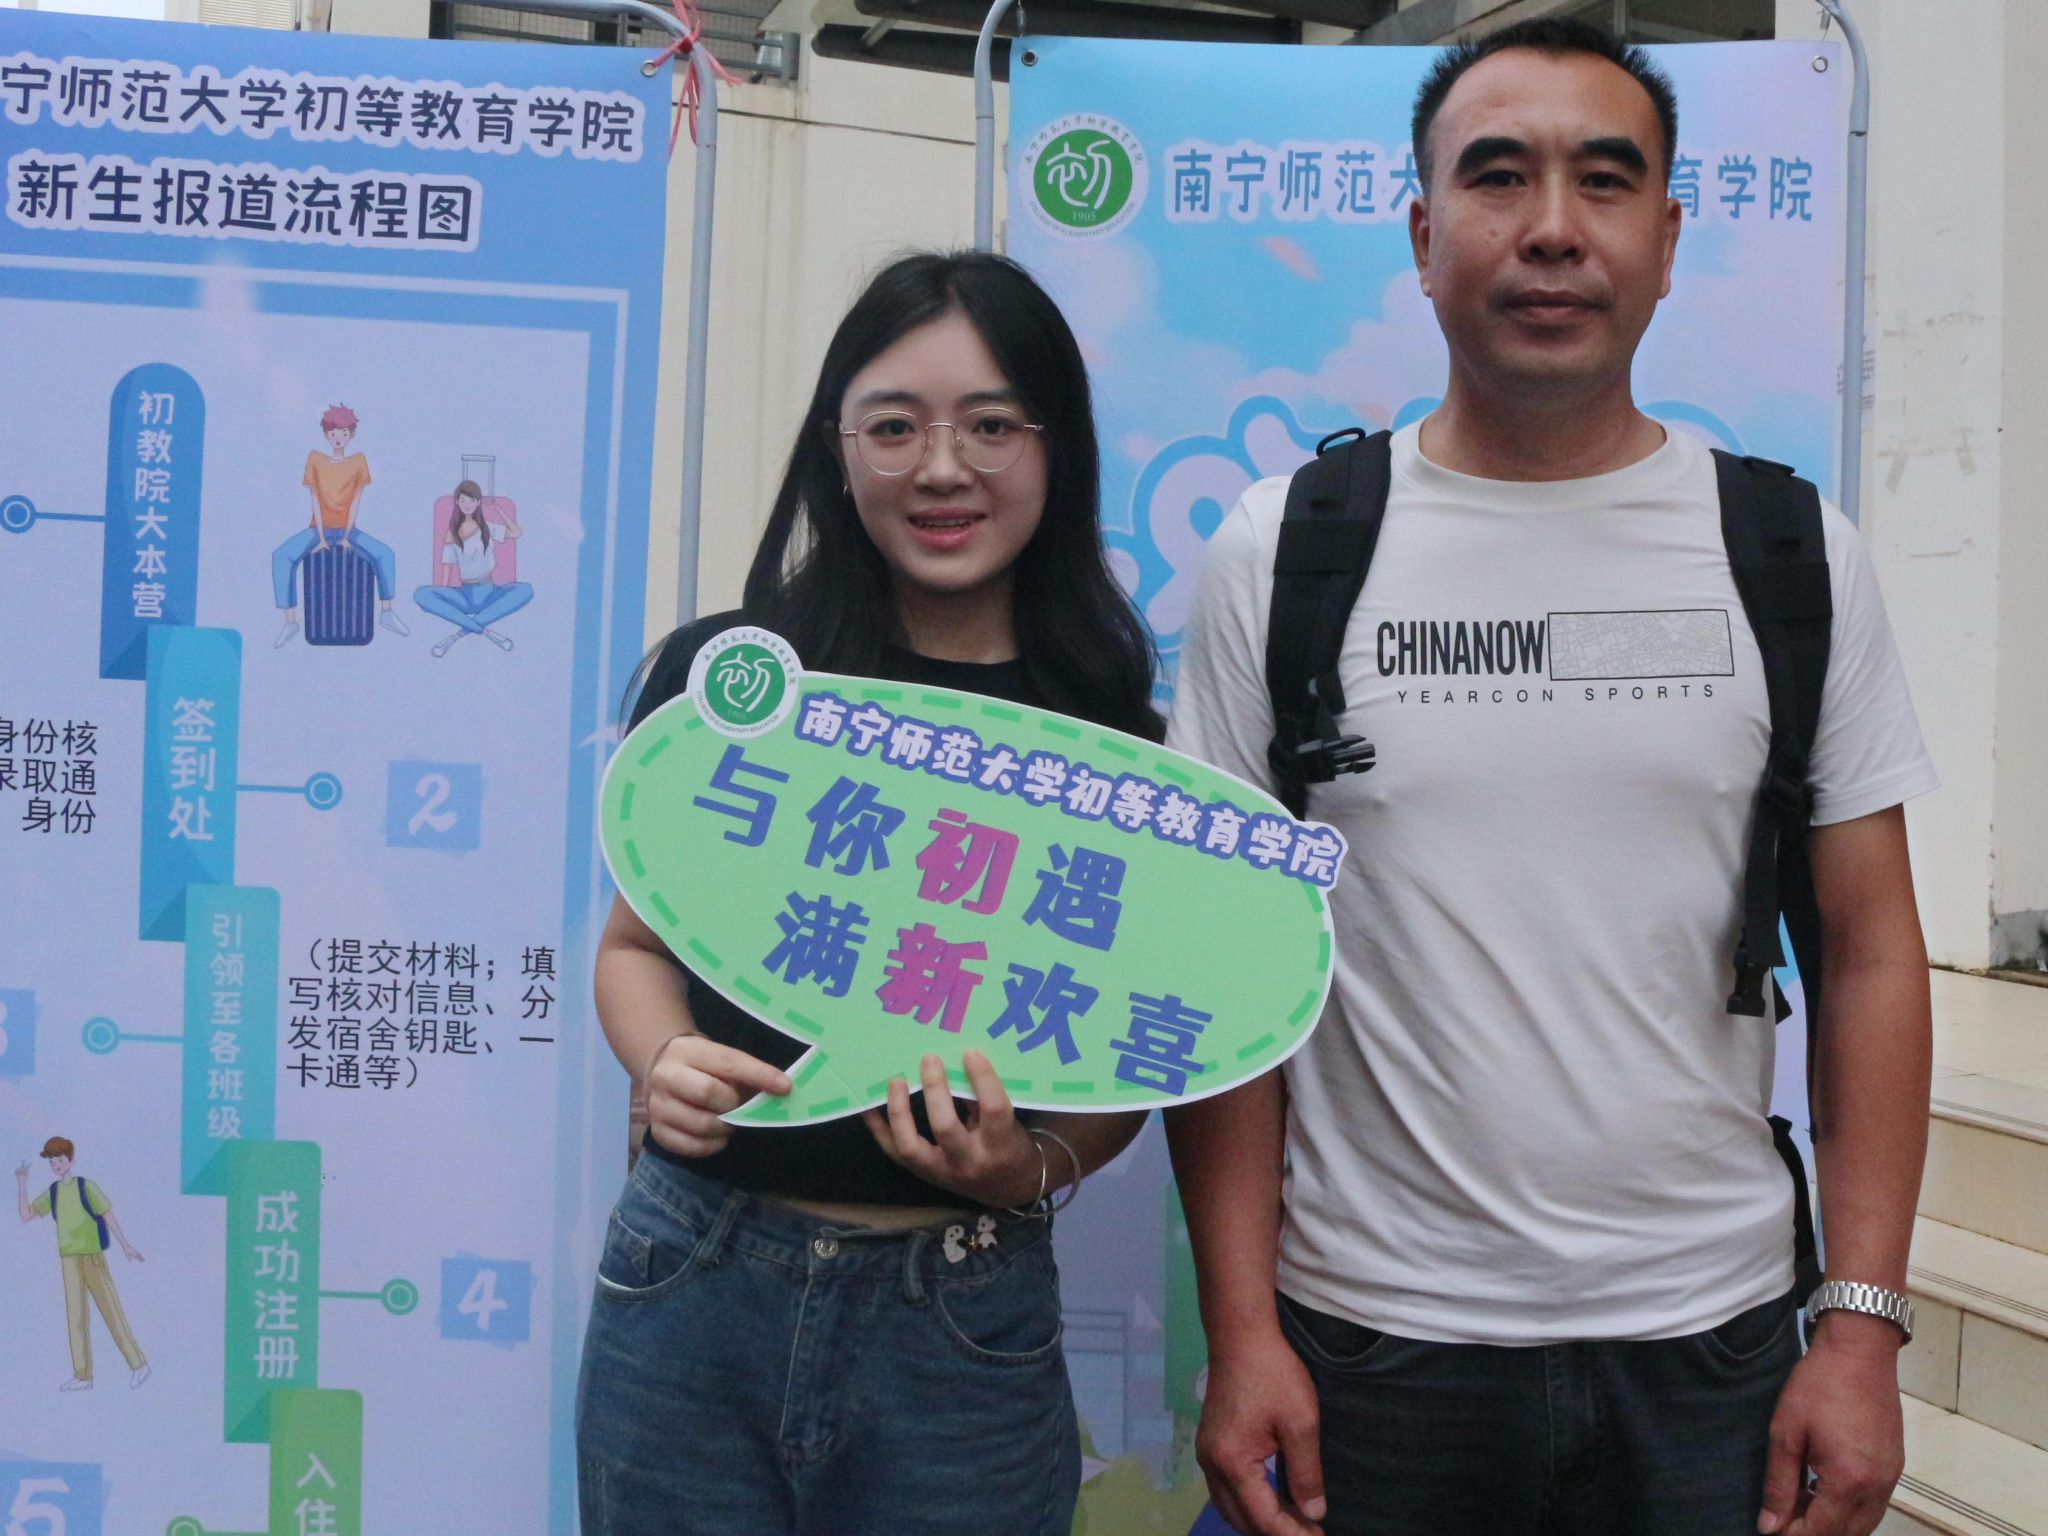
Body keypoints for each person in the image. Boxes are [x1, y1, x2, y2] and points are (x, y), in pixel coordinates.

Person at [1164, 20, 1937, 1536]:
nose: (1551, 230)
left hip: (1711, 1352)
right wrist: (1241, 1331)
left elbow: (1869, 950)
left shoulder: (1789, 554)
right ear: (1422, 234)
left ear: (1667, 238)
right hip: (1368, 1348)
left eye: (1604, 179)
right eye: (1498, 176)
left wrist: (1859, 1328)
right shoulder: (1286, 548)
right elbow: (1222, 961)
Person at [575, 251, 1161, 1536]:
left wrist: (1025, 1163)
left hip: (960, 1313)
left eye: (991, 425)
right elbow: (632, 949)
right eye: (893, 427)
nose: (940, 468)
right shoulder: (734, 682)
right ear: (837, 452)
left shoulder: (1114, 745)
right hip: (693, 1273)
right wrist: (661, 1058)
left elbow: (1126, 1068)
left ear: (1054, 449)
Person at [16, 1136, 150, 1391]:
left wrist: (125, 1244)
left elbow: (106, 1213)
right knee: (75, 1318)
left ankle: (139, 1365)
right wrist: (22, 1182)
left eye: (59, 1159)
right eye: (51, 1161)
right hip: (68, 1260)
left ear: (71, 1161)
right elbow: (26, 1215)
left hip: (92, 1257)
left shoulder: (85, 1186)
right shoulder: (53, 1192)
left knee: (111, 1311)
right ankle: (83, 1376)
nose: (55, 1164)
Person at [273, 404, 409, 646]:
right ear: (326, 434)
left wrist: (346, 536)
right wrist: (321, 538)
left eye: (344, 432)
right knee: (281, 556)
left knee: (385, 554)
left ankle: (386, 612)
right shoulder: (315, 459)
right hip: (318, 530)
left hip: (348, 531)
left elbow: (356, 501)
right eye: (333, 432)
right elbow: (314, 499)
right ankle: (290, 622)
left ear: (351, 435)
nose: (338, 437)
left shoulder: (358, 462)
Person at [415, 480, 531, 656]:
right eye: (463, 500)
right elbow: (447, 565)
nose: (467, 504)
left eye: (471, 500)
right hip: (464, 595)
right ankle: (484, 631)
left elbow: (516, 533)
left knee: (526, 590)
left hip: (489, 593)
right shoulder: (452, 533)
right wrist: (443, 594)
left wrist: (499, 510)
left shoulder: (487, 527)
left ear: (478, 502)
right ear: (457, 502)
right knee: (421, 594)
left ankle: (459, 634)